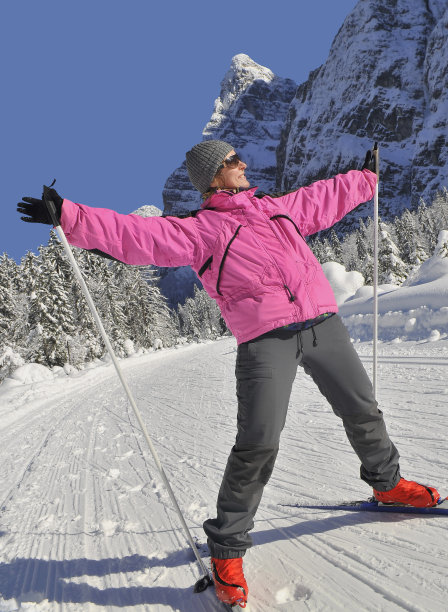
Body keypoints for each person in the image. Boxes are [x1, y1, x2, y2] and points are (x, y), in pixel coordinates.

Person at [17, 140, 440, 609]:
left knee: (362, 409)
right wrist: (71, 215)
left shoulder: (275, 208)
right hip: (265, 341)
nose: (242, 164)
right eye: (231, 161)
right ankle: (227, 547)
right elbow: (137, 235)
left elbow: (322, 198)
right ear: (212, 176)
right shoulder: (200, 230)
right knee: (258, 442)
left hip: (323, 323)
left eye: (239, 158)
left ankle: (388, 485)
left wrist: (364, 179)